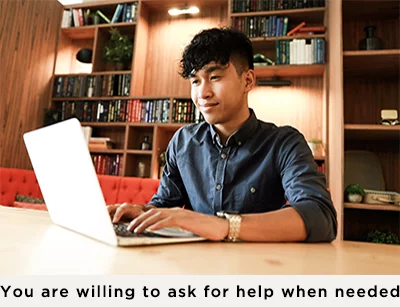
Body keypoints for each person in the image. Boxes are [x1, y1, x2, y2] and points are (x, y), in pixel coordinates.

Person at [108, 27, 337, 242]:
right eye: (195, 81)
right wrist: (142, 213)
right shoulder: (183, 142)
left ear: (247, 80)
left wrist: (225, 225)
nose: (203, 93)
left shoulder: (284, 143)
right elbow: (165, 203)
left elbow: (320, 216)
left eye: (214, 77)